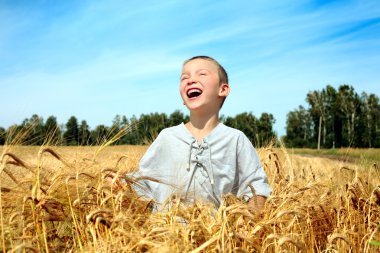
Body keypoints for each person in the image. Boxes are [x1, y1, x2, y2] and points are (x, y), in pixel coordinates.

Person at [133, 56, 271, 211]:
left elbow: (256, 187)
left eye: (202, 74)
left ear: (223, 89)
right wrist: (115, 185)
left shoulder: (235, 139)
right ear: (183, 98)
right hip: (165, 232)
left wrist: (250, 225)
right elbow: (143, 182)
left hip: (216, 233)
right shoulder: (167, 137)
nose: (190, 80)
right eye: (184, 77)